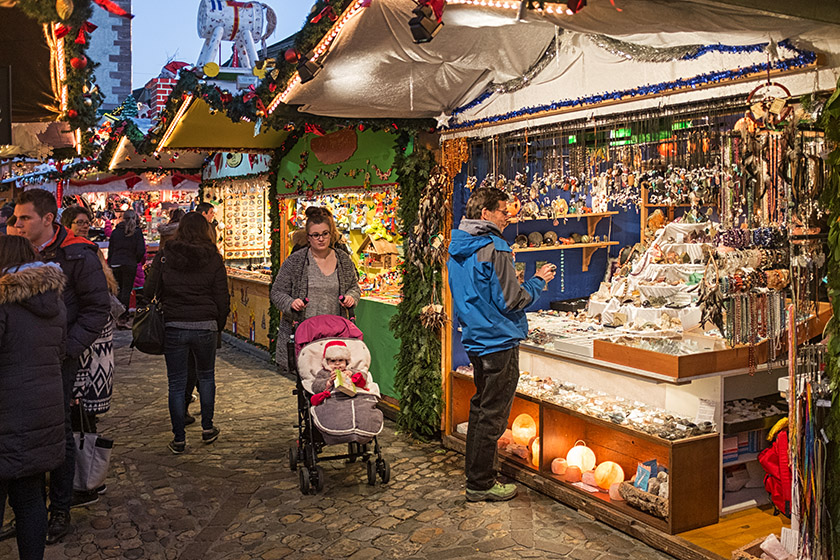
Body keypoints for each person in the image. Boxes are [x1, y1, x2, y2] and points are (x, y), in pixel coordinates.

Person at [12, 188, 110, 544]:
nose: (17, 224)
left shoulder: (77, 254)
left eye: (25, 218)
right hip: (19, 359)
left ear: (48, 219)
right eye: (16, 218)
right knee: (23, 433)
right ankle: (29, 510)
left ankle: (60, 509)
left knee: (59, 432)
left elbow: (98, 308)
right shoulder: (15, 251)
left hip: (58, 359)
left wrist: (67, 348)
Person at [447, 187, 555, 503]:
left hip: (476, 338)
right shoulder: (496, 247)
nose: (509, 216)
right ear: (486, 214)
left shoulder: (458, 246)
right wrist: (539, 281)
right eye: (504, 211)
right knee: (492, 415)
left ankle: (477, 478)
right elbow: (512, 299)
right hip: (500, 339)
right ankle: (481, 484)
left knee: (482, 410)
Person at [0, 235, 67, 560]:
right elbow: (60, 349)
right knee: (30, 500)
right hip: (42, 414)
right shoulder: (53, 301)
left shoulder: (4, 302)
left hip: (6, 416)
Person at [144, 212, 229, 454]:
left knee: (176, 383)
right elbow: (222, 296)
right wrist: (217, 323)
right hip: (205, 325)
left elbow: (149, 289)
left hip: (174, 324)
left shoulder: (166, 256)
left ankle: (179, 438)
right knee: (207, 377)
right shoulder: (213, 258)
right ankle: (207, 427)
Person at [61, 206, 120, 507]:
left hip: (89, 367)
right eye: (78, 223)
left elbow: (99, 317)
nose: (84, 226)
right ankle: (89, 480)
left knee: (82, 429)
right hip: (96, 366)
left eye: (86, 222)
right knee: (85, 426)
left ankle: (86, 483)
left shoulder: (83, 257)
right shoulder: (87, 257)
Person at [270, 207, 361, 374]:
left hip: (334, 337)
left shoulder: (343, 260)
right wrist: (291, 303)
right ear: (308, 237)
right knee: (310, 387)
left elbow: (354, 287)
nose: (321, 239)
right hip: (305, 338)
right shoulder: (296, 261)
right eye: (316, 235)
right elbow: (277, 292)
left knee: (334, 385)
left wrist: (351, 297)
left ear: (331, 234)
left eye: (325, 234)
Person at [108, 209, 146, 329]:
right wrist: (135, 260)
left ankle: (117, 315)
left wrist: (111, 262)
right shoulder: (136, 232)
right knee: (126, 290)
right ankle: (122, 318)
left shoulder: (115, 232)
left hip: (116, 263)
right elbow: (141, 250)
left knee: (118, 290)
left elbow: (111, 249)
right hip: (129, 263)